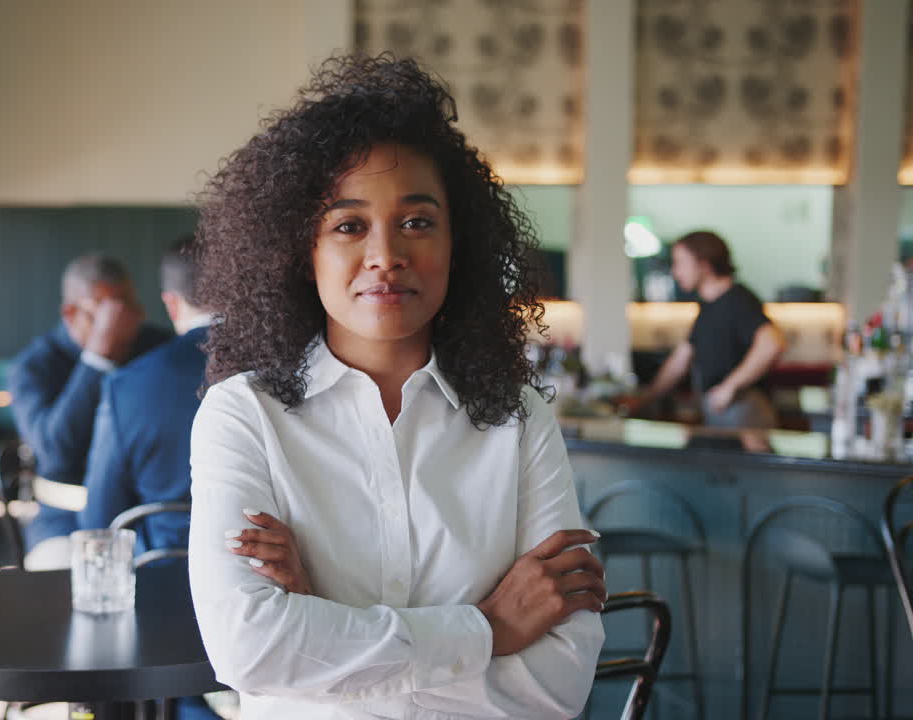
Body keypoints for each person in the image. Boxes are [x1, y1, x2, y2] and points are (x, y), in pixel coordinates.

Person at [187, 55, 606, 719]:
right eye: (349, 225)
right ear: (303, 251)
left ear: (456, 243)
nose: (387, 255)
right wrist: (489, 630)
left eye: (417, 222)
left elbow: (559, 682)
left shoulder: (518, 416)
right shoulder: (244, 414)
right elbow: (250, 651)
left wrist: (324, 627)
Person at [76, 239, 219, 720]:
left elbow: (100, 522)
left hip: (168, 611)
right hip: (288, 601)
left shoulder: (129, 386)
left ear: (171, 302)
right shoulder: (297, 367)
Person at [8, 255, 170, 563]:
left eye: (130, 306)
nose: (127, 320)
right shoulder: (33, 368)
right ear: (71, 313)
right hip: (67, 524)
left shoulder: (157, 349)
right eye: (111, 310)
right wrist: (98, 359)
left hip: (148, 518)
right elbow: (55, 452)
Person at [635, 230, 786, 429]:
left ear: (704, 265)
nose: (675, 272)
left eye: (680, 263)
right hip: (720, 412)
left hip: (743, 411)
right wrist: (647, 397)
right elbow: (681, 360)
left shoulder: (738, 300)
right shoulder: (707, 306)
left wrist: (730, 386)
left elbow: (772, 343)